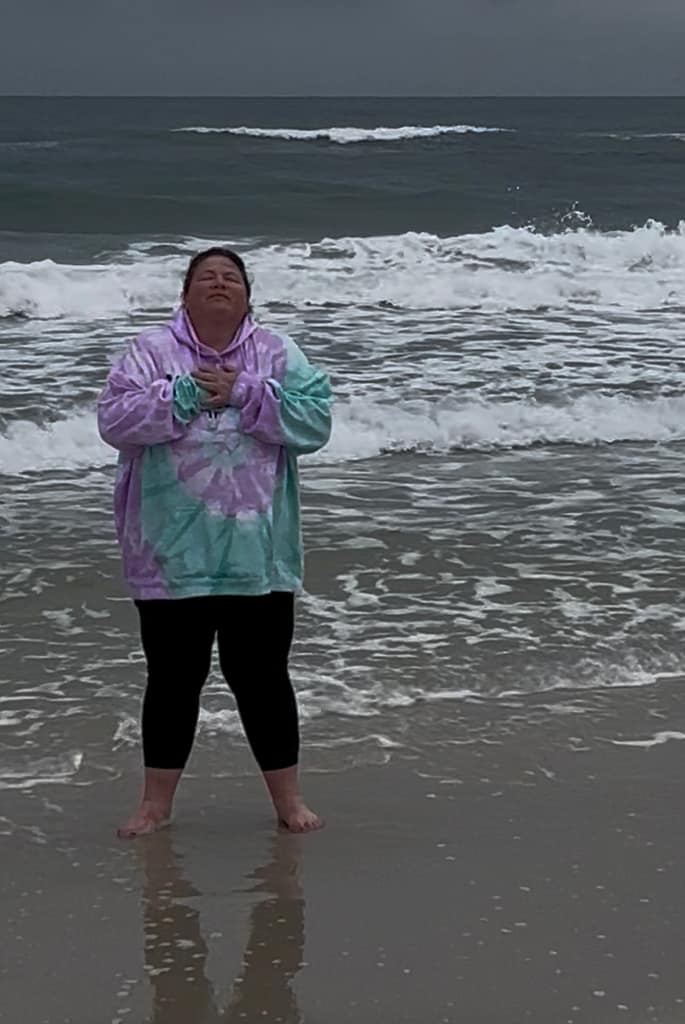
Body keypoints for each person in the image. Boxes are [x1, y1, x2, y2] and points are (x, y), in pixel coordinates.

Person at [97, 247, 333, 838]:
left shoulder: (278, 352)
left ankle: (288, 801)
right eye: (207, 277)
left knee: (262, 677)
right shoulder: (149, 351)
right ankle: (155, 804)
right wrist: (186, 394)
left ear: (249, 295)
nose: (220, 284)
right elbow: (113, 421)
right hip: (169, 555)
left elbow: (315, 421)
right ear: (185, 295)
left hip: (258, 557)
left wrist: (245, 393)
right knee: (173, 679)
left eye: (231, 277)